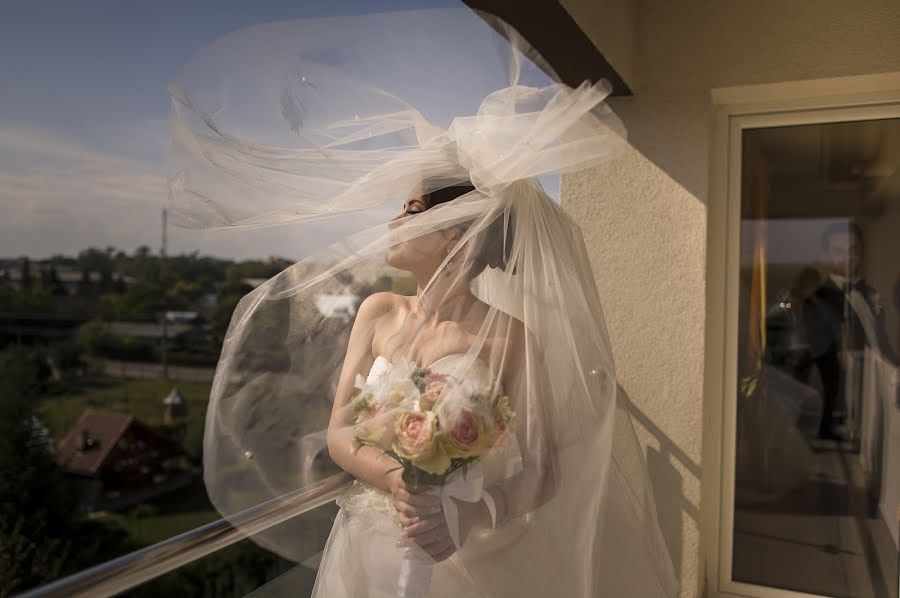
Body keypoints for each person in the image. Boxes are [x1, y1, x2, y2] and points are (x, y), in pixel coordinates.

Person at [167, 8, 678, 597]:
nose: (391, 220)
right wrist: (398, 480)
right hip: (371, 540)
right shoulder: (377, 311)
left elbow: (543, 470)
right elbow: (338, 433)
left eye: (410, 210)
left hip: (472, 556)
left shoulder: (512, 338)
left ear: (455, 233)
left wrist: (468, 516)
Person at [804, 222, 895, 441]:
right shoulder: (818, 299)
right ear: (826, 254)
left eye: (854, 250)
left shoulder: (870, 292)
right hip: (843, 403)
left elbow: (880, 340)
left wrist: (894, 367)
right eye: (839, 251)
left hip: (877, 390)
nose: (848, 257)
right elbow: (822, 359)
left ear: (862, 251)